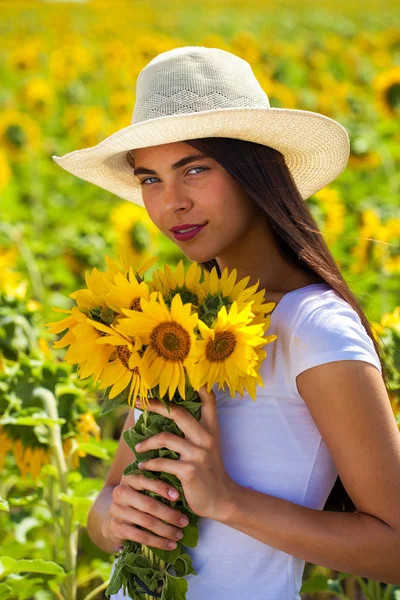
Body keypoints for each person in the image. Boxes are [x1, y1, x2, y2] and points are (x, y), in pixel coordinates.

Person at [53, 47, 400, 599]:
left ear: (253, 168)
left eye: (195, 169)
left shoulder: (313, 327)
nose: (172, 204)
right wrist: (113, 517)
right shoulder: (169, 324)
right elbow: (110, 500)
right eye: (150, 179)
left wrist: (227, 501)